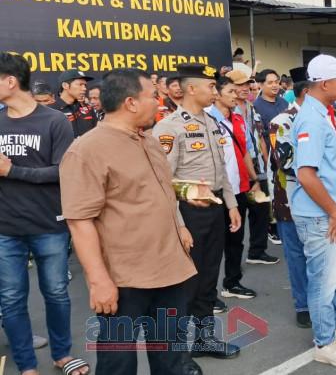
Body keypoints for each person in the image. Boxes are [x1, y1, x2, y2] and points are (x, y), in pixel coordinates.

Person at [61, 69, 200, 375]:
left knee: (171, 358)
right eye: (153, 95)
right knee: (118, 363)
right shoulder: (87, 150)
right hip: (124, 280)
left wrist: (180, 224)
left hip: (170, 270)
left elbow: (158, 189)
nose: (159, 100)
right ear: (131, 103)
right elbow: (80, 221)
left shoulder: (148, 140)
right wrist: (99, 281)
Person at [0, 52, 88, 375]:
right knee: (10, 299)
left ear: (10, 81)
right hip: (5, 228)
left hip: (49, 225)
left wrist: (13, 172)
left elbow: (63, 173)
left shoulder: (53, 121)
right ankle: (26, 365)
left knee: (56, 293)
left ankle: (62, 355)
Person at [153, 63, 242, 360]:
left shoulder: (213, 122)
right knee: (185, 284)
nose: (214, 92)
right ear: (191, 89)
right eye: (210, 87)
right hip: (188, 213)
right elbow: (163, 182)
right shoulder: (169, 127)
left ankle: (204, 339)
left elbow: (223, 172)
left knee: (207, 279)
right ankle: (179, 356)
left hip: (214, 209)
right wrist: (179, 224)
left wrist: (230, 204)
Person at [290, 54, 336, 368]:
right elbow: (306, 173)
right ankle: (324, 342)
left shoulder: (322, 112)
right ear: (324, 83)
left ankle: (332, 327)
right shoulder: (311, 118)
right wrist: (335, 211)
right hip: (322, 214)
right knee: (323, 280)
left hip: (332, 211)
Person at [207, 75, 264, 302]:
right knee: (211, 248)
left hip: (238, 189)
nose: (235, 95)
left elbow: (245, 152)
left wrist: (254, 179)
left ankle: (232, 283)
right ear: (217, 94)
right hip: (214, 193)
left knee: (235, 241)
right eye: (230, 91)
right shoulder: (207, 120)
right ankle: (206, 297)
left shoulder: (238, 119)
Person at [229, 69, 278, 267]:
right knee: (238, 218)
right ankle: (232, 270)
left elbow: (260, 138)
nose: (244, 88)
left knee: (261, 211)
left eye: (246, 84)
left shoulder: (251, 107)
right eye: (239, 85)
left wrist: (268, 164)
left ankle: (257, 251)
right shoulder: (225, 112)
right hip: (239, 173)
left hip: (259, 169)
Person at [50, 69, 97, 138]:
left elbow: (96, 134)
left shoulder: (88, 108)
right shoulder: (50, 110)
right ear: (65, 85)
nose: (84, 88)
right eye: (80, 84)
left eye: (85, 85)